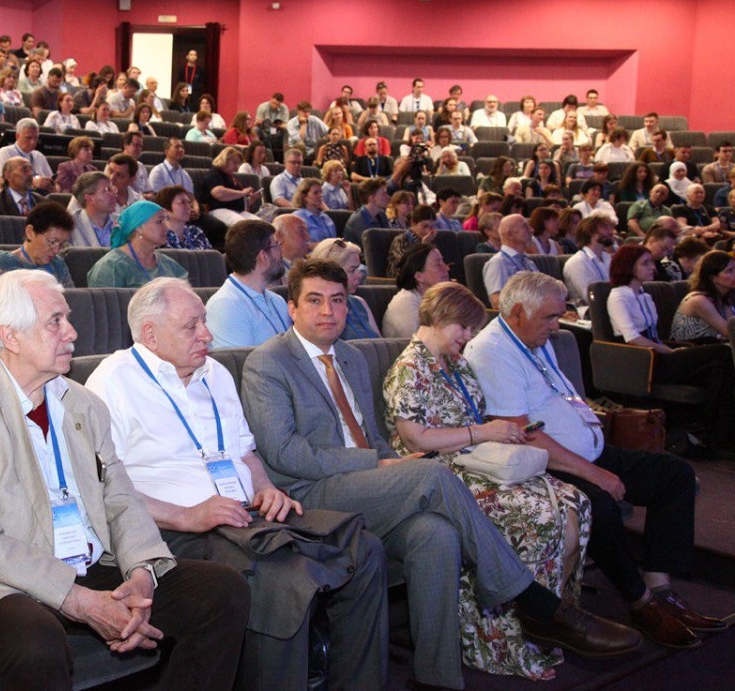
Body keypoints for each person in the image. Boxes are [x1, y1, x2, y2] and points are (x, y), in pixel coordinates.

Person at [243, 259, 640, 690]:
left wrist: (382, 461)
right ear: (292, 308)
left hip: (366, 486)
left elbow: (373, 436)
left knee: (437, 535)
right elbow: (284, 453)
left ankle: (439, 678)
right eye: (314, 301)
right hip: (309, 494)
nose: (328, 311)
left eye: (337, 301)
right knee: (432, 475)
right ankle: (532, 602)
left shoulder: (352, 358)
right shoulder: (269, 362)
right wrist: (377, 464)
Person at [0, 269, 248, 688]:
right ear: (10, 336)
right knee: (35, 641)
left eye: (67, 318)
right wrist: (76, 599)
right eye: (55, 321)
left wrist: (141, 573)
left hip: (89, 562)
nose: (72, 332)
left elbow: (121, 499)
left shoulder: (84, 404)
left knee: (220, 592)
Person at [87, 278, 388, 689]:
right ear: (150, 334)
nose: (206, 335)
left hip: (249, 518)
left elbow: (245, 453)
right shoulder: (113, 383)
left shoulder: (215, 372)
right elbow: (104, 486)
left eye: (205, 322)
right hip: (173, 532)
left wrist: (266, 488)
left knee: (365, 549)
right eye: (191, 326)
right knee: (284, 579)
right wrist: (187, 515)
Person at [465, 271, 728, 649]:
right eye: (550, 318)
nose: (557, 326)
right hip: (547, 464)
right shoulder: (492, 350)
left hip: (590, 451)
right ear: (519, 312)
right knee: (598, 505)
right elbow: (523, 431)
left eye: (558, 316)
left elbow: (560, 398)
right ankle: (639, 602)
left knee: (676, 475)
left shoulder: (535, 338)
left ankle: (660, 591)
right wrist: (594, 472)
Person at [383, 281, 591, 680]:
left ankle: (548, 626)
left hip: (477, 461)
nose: (468, 337)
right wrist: (484, 433)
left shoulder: (456, 363)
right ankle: (505, 644)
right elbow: (417, 439)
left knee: (574, 504)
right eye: (463, 327)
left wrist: (500, 431)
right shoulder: (408, 368)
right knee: (538, 516)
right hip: (438, 471)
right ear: (441, 318)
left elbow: (475, 420)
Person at [607, 244, 734, 443]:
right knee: (722, 352)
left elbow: (655, 335)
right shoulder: (618, 296)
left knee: (719, 369)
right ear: (629, 266)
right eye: (645, 263)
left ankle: (716, 432)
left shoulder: (645, 296)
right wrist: (670, 351)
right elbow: (633, 338)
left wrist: (672, 350)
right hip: (643, 361)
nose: (653, 268)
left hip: (660, 352)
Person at [205, 220, 290, 348]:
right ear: (263, 256)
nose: (281, 252)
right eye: (277, 246)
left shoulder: (277, 300)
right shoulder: (226, 307)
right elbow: (239, 365)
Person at [87, 200, 187, 288]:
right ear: (139, 227)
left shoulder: (169, 265)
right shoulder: (111, 267)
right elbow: (104, 306)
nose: (166, 228)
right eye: (159, 221)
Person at [0, 202, 75, 288]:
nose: (56, 250)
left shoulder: (58, 266)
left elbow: (72, 301)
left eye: (62, 244)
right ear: (30, 232)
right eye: (52, 242)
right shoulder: (4, 264)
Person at [310, 238, 380, 338]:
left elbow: (380, 345)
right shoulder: (316, 310)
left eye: (358, 268)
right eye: (352, 270)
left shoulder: (360, 302)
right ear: (330, 274)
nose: (359, 275)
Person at [383, 242, 450, 338]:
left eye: (443, 262)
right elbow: (421, 344)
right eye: (438, 265)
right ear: (419, 276)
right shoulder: (406, 301)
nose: (446, 268)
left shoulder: (441, 298)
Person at [671, 250, 735, 341]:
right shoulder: (698, 300)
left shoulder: (724, 297)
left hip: (713, 347)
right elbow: (729, 332)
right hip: (690, 349)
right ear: (713, 278)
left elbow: (732, 326)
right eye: (729, 271)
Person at [561, 213, 616, 316]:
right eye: (605, 228)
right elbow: (592, 297)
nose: (611, 232)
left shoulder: (608, 258)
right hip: (592, 313)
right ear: (591, 232)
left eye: (611, 228)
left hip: (614, 307)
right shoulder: (577, 262)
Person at [483, 213, 538, 308]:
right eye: (525, 226)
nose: (532, 230)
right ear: (510, 234)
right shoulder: (497, 263)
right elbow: (497, 303)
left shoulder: (529, 262)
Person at [197, 147, 259, 226]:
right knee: (243, 225)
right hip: (218, 210)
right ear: (225, 160)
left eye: (238, 164)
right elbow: (219, 193)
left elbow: (240, 202)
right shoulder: (214, 173)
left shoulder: (233, 178)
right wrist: (242, 192)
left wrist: (252, 199)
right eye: (235, 163)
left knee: (261, 225)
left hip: (237, 211)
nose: (237, 167)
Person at [156, 185, 212, 250]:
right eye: (182, 202)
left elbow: (211, 258)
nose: (188, 207)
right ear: (165, 210)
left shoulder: (196, 232)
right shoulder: (160, 237)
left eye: (188, 202)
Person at [342, 178, 390, 247]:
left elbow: (388, 240)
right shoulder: (358, 220)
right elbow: (373, 247)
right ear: (372, 198)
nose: (388, 197)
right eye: (383, 194)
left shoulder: (381, 214)